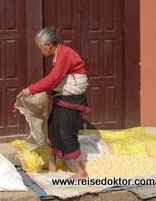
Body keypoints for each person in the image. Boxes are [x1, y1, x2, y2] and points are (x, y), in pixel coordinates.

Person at [17, 27, 91, 180]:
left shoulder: (64, 54)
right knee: (53, 129)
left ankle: (81, 171)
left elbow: (54, 79)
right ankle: (52, 164)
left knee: (67, 134)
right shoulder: (59, 54)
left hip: (71, 98)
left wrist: (31, 90)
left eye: (40, 48)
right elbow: (56, 81)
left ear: (49, 45)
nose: (41, 51)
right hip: (62, 96)